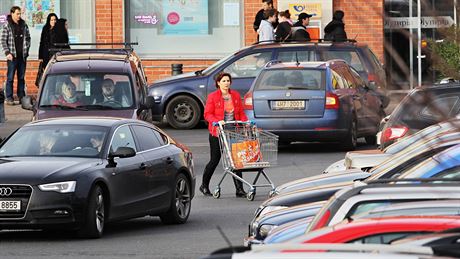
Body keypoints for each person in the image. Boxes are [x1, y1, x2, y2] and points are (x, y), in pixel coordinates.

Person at [201, 72, 248, 198]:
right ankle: (204, 185)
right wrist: (216, 121)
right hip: (217, 132)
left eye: (228, 81)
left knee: (236, 160)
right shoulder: (213, 97)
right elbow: (207, 114)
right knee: (214, 160)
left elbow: (241, 112)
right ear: (218, 83)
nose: (226, 83)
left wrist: (246, 122)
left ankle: (239, 189)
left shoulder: (235, 95)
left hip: (232, 131)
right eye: (224, 81)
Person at [1, 6, 31, 106]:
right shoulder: (7, 25)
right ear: (12, 13)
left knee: (21, 77)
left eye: (20, 14)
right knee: (10, 77)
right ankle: (9, 98)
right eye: (17, 14)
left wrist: (26, 51)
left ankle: (21, 97)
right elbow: (3, 40)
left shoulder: (24, 24)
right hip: (12, 56)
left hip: (22, 56)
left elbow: (28, 38)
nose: (19, 16)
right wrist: (7, 53)